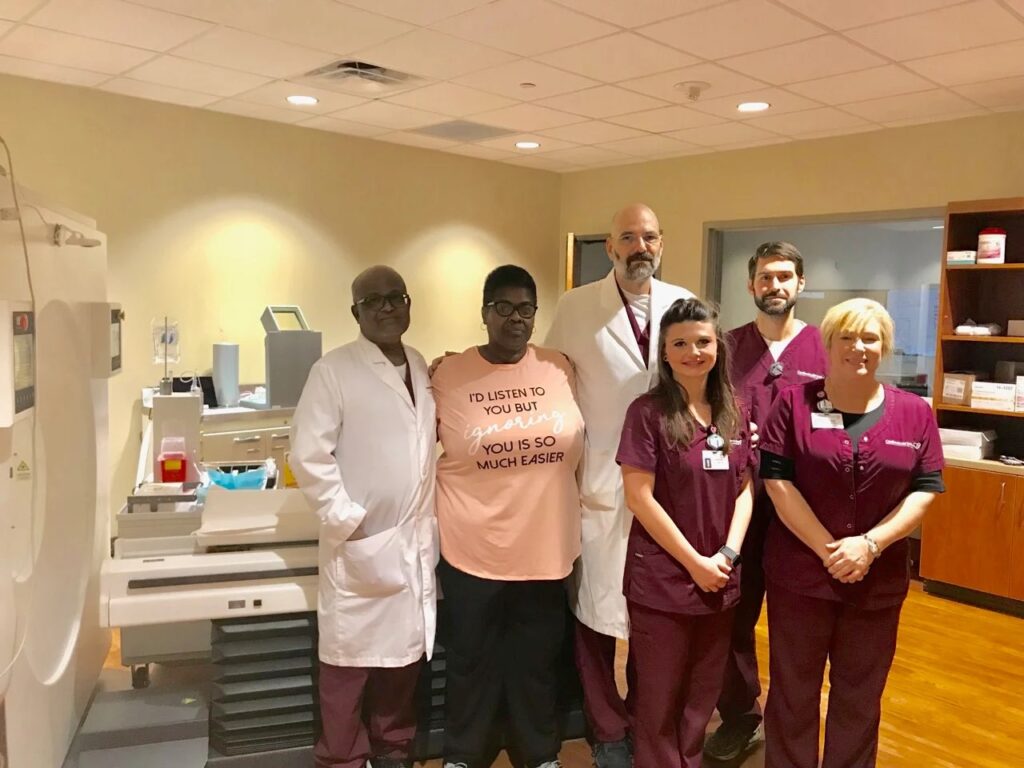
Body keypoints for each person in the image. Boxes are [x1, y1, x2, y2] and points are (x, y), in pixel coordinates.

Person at [757, 298, 945, 768]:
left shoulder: (915, 413)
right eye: (847, 336)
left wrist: (870, 545)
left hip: (875, 581)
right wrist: (830, 550)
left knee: (860, 696)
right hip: (801, 578)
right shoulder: (793, 403)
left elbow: (924, 490)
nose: (858, 347)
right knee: (793, 691)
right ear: (828, 343)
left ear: (885, 348)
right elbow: (778, 484)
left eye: (870, 338)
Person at [544, 204, 693, 768]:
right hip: (602, 481)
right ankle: (608, 730)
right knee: (594, 615)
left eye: (649, 237)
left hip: (667, 486)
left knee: (651, 617)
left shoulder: (681, 303)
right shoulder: (576, 305)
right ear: (609, 246)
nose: (640, 247)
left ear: (662, 244)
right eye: (628, 237)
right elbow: (550, 378)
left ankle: (649, 722)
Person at [432, 265, 585, 768]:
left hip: (545, 547)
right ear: (484, 313)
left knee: (537, 664)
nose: (515, 319)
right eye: (503, 308)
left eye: (525, 309)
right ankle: (462, 754)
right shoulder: (447, 374)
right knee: (470, 662)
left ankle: (539, 753)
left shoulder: (560, 366)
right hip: (471, 547)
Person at [290, 266, 438, 768]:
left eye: (395, 296)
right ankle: (342, 759)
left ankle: (394, 749)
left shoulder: (420, 365)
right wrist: (348, 520)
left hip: (412, 542)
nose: (387, 307)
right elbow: (308, 455)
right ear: (356, 313)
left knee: (402, 663)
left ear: (408, 302)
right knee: (347, 671)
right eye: (372, 301)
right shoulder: (332, 371)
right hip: (361, 541)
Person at [617, 298, 755, 768]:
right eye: (680, 343)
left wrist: (729, 555)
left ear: (718, 346)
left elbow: (746, 489)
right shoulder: (647, 413)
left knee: (701, 697)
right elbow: (639, 498)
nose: (692, 352)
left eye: (702, 341)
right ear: (664, 352)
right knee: (658, 700)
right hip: (664, 583)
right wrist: (695, 563)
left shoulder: (733, 410)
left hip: (720, 578)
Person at [705, 241, 827, 762]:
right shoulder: (725, 348)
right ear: (750, 285)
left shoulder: (828, 349)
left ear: (800, 284)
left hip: (803, 508)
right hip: (738, 507)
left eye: (784, 277)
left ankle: (791, 726)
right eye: (764, 277)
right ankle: (741, 716)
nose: (773, 285)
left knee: (796, 622)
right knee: (731, 613)